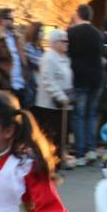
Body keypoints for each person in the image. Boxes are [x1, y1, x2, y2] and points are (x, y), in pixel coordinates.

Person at [67, 4, 104, 164]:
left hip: (79, 77)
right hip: (96, 78)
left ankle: (81, 152)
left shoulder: (72, 33)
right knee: (91, 115)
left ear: (78, 14)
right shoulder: (97, 34)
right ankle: (91, 149)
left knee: (79, 116)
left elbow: (69, 54)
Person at [33, 28, 73, 168]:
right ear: (54, 42)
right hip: (49, 104)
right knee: (52, 134)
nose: (66, 43)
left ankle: (59, 158)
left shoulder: (64, 58)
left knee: (62, 133)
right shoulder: (49, 58)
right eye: (63, 41)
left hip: (62, 103)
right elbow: (48, 80)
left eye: (67, 41)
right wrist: (60, 96)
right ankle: (50, 160)